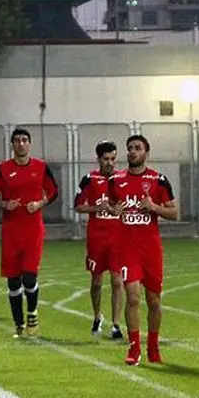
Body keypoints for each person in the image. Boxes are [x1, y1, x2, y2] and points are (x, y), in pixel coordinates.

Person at [0, 127, 59, 338]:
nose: (21, 144)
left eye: (25, 140)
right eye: (17, 140)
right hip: (11, 231)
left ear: (30, 144)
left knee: (29, 276)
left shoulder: (41, 167)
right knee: (14, 280)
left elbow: (53, 191)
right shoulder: (2, 169)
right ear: (12, 144)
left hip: (33, 230)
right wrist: (4, 203)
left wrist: (40, 203)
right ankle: (18, 323)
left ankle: (32, 313)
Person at [109, 135, 178, 365]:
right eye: (129, 148)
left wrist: (154, 207)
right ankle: (134, 347)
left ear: (146, 153)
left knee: (154, 300)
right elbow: (112, 206)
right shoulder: (116, 180)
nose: (132, 151)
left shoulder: (159, 180)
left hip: (151, 249)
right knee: (132, 297)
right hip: (127, 249)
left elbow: (174, 212)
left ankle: (153, 346)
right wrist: (114, 211)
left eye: (137, 148)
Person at [73, 141, 125, 340]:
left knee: (117, 280)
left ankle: (116, 325)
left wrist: (120, 210)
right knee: (96, 282)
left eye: (113, 159)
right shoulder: (89, 179)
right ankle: (97, 316)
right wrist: (97, 208)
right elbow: (78, 206)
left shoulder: (122, 179)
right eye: (106, 159)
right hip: (96, 237)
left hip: (117, 237)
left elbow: (128, 205)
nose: (110, 163)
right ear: (98, 159)